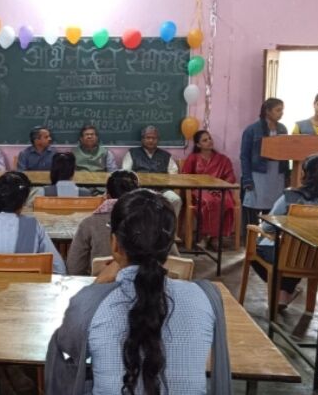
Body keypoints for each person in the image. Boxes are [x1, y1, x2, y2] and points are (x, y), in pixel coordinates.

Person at [46, 189, 231, 394]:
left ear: (115, 244)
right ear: (169, 245)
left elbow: (68, 350)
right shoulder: (206, 297)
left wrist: (96, 287)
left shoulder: (92, 303)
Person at [254, 154, 318, 308]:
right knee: (292, 252)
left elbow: (267, 227)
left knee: (258, 249)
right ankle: (285, 293)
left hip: (290, 258)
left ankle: (284, 292)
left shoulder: (291, 197)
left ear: (305, 174)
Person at [66, 170, 139, 275]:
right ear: (137, 195)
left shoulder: (88, 224)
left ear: (107, 196)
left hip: (99, 288)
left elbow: (74, 268)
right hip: (142, 288)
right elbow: (170, 262)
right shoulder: (153, 222)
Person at [182, 130, 237, 249]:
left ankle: (215, 238)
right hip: (199, 190)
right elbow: (185, 176)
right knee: (209, 202)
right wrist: (203, 187)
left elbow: (231, 177)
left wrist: (218, 186)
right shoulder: (193, 158)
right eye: (205, 140)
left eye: (210, 138)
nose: (209, 141)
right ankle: (205, 236)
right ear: (198, 145)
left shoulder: (223, 159)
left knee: (226, 202)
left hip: (220, 189)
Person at [240, 98, 289, 228]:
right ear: (268, 111)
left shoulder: (283, 129)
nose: (281, 113)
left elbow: (287, 152)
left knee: (274, 210)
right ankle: (252, 242)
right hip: (258, 173)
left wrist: (288, 177)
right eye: (278, 110)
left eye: (282, 110)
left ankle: (268, 240)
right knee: (254, 208)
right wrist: (247, 180)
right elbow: (244, 156)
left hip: (277, 174)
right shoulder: (252, 130)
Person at [121, 125, 182, 216]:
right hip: (139, 190)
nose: (151, 140)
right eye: (148, 138)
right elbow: (125, 174)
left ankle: (168, 228)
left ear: (158, 140)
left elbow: (174, 174)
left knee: (176, 200)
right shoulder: (132, 153)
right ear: (142, 139)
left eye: (154, 138)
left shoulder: (166, 156)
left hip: (162, 190)